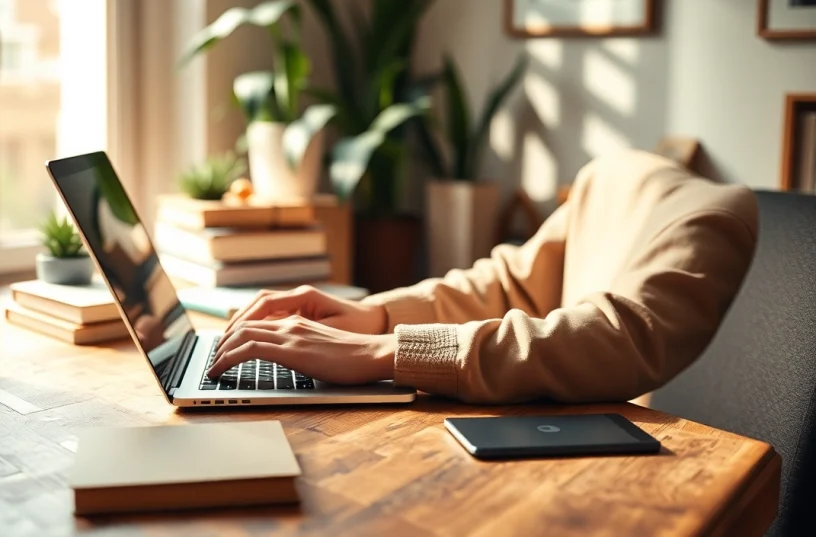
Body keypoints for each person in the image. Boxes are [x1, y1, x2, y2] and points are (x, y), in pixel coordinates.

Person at [208, 150, 758, 404]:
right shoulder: (603, 178)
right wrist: (374, 314)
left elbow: (618, 339)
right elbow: (511, 281)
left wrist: (383, 351)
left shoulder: (716, 220)